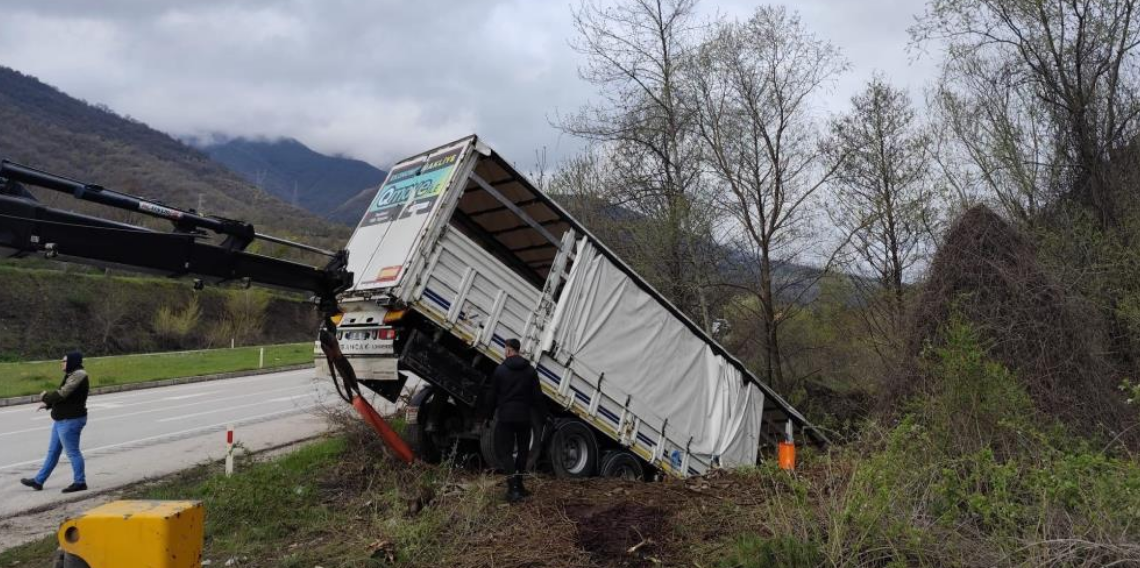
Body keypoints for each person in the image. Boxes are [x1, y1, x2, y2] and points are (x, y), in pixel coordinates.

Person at [21, 351, 89, 493]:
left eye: (64, 361)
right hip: (62, 420)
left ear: (72, 361)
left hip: (71, 420)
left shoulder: (79, 374)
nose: (61, 363)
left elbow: (63, 393)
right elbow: (66, 398)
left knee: (72, 452)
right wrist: (49, 405)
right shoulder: (71, 374)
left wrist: (45, 397)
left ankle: (80, 482)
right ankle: (38, 481)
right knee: (53, 452)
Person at [486, 338, 541, 503]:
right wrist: (543, 417)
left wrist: (487, 416)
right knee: (523, 452)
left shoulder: (500, 370)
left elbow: (492, 395)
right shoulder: (530, 371)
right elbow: (537, 397)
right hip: (524, 417)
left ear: (509, 350)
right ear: (519, 350)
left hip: (506, 417)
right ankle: (520, 486)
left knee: (506, 452)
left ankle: (513, 489)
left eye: (505, 349)